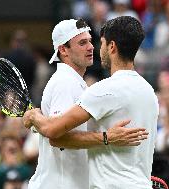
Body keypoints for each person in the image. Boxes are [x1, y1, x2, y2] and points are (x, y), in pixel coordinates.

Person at [23, 16, 159, 189]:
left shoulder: (101, 89)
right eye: (82, 43)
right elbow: (55, 136)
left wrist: (34, 117)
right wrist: (106, 138)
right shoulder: (149, 91)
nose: (92, 47)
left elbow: (53, 131)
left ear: (111, 47)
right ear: (63, 50)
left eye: (95, 41)